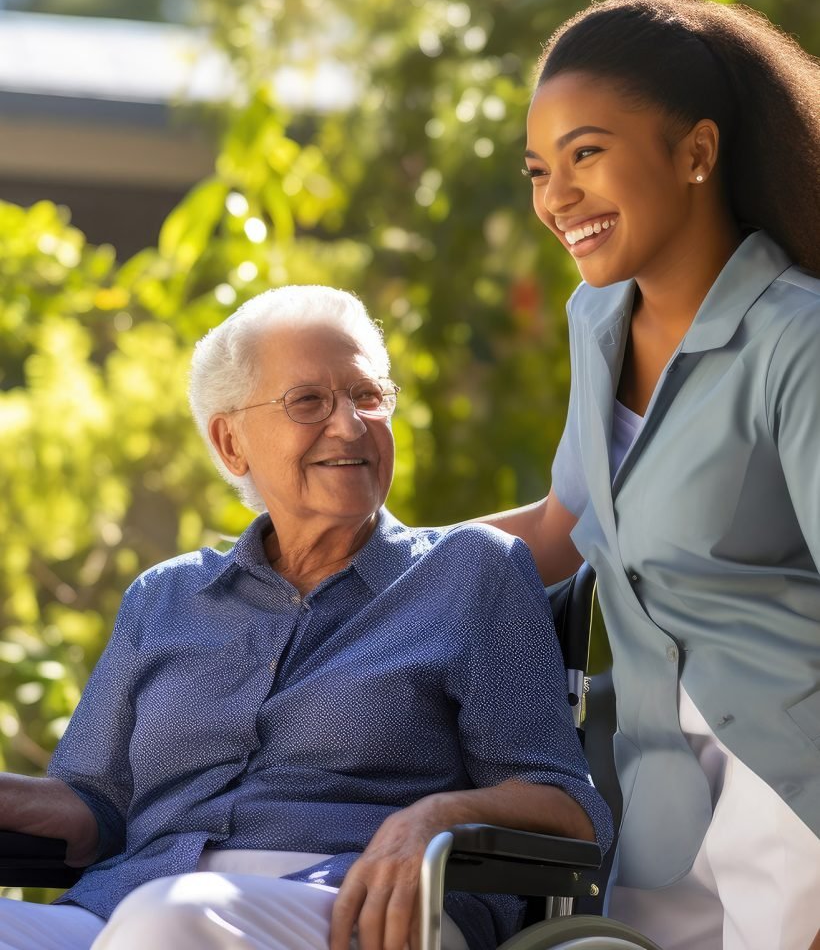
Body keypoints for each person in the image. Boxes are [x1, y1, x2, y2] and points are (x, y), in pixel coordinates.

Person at [0, 285, 611, 950]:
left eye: (367, 396)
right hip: (128, 904)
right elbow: (98, 806)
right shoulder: (164, 598)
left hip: (355, 905)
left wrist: (434, 818)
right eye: (310, 402)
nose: (350, 424)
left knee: (172, 918)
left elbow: (571, 809)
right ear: (232, 443)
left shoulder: (471, 573)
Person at [480, 0, 820, 950]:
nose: (557, 197)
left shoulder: (798, 341)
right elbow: (561, 527)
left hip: (796, 788)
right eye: (539, 169)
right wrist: (357, 560)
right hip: (657, 799)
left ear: (696, 153)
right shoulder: (596, 323)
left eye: (587, 154)